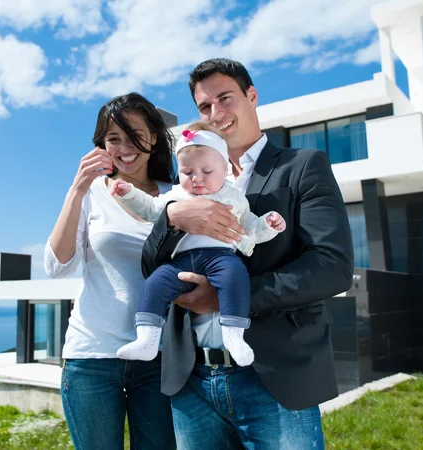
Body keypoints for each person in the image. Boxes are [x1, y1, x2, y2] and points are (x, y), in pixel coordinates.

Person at [142, 58, 354, 449]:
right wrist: (172, 218)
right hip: (192, 381)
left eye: (225, 98)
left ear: (252, 96)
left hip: (273, 379)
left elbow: (332, 265)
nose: (215, 113)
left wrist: (225, 300)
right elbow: (149, 266)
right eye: (204, 107)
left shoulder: (302, 167)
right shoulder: (188, 183)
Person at [44, 92, 176, 450]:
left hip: (159, 358)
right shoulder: (91, 194)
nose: (125, 147)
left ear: (153, 137)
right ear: (102, 146)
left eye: (135, 135)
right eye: (113, 139)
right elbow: (57, 266)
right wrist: (76, 189)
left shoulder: (176, 196)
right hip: (92, 359)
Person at [112, 121, 286, 366]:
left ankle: (234, 336)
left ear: (224, 169)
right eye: (187, 172)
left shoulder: (234, 197)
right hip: (182, 260)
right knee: (155, 283)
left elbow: (249, 228)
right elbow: (151, 209)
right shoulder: (176, 196)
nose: (197, 179)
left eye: (207, 172)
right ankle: (147, 339)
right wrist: (129, 193)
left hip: (221, 256)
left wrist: (268, 224)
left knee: (235, 276)